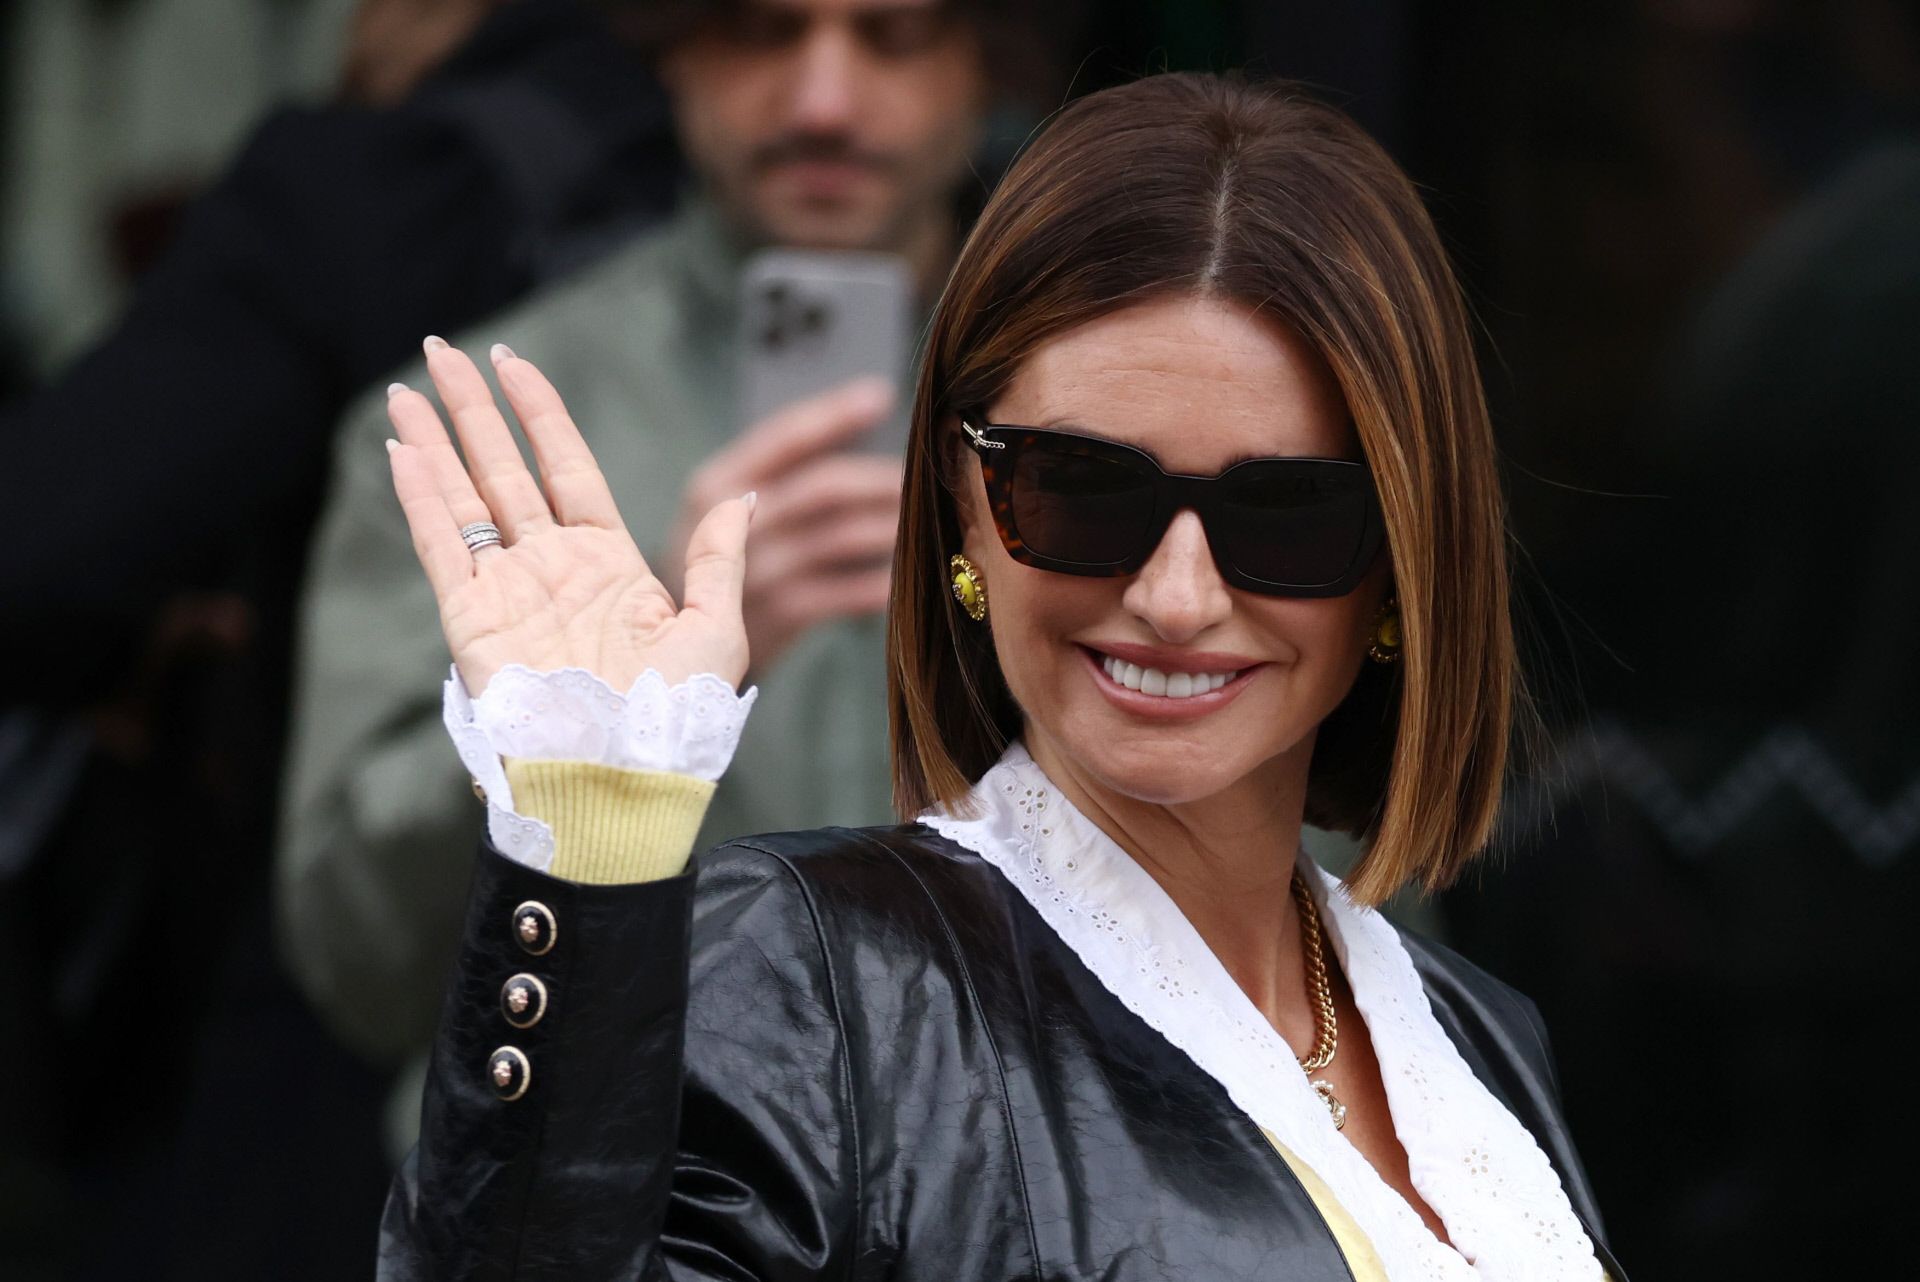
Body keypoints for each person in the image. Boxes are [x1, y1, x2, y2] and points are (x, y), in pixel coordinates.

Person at [368, 74, 1627, 1279]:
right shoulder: (812, 978)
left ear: (1406, 564)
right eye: (1083, 489)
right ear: (966, 509)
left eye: (1286, 514)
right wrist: (593, 820)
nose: (1176, 597)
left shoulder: (1477, 1037)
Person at [275, 0, 1053, 1083]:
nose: (823, 102)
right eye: (763, 31)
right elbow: (357, 965)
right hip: (600, 1191)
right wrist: (598, 711)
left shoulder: (1111, 423)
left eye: (895, 34)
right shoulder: (469, 429)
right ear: (672, 51)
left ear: (988, 61)